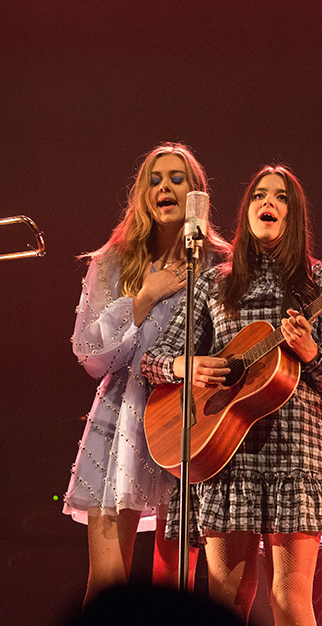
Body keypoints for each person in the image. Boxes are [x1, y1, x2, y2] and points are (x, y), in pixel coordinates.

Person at [142, 165, 322, 626]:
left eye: (280, 198)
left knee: (289, 597)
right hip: (223, 447)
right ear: (246, 211)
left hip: (297, 452)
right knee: (226, 598)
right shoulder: (214, 282)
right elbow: (154, 359)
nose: (268, 203)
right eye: (259, 195)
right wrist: (188, 365)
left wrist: (310, 352)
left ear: (294, 213)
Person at [63, 143, 230, 605]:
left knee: (174, 580)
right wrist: (143, 298)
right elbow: (89, 354)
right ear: (141, 194)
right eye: (155, 180)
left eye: (176, 179)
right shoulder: (114, 262)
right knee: (107, 586)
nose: (164, 188)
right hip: (122, 422)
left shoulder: (220, 263)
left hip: (188, 421)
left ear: (196, 193)